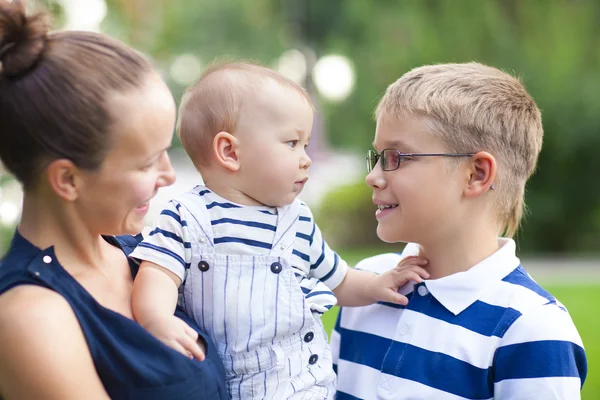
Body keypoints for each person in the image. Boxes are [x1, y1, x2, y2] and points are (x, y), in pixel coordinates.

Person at [129, 61, 430, 399]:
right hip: (238, 388)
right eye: (292, 143)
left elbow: (339, 280)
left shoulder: (297, 220)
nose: (306, 159)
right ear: (230, 152)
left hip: (309, 385)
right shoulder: (186, 218)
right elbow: (157, 276)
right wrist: (157, 320)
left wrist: (376, 285)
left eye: (305, 145)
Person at [0, 1, 229, 398]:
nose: (168, 175)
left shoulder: (143, 254)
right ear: (68, 180)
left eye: (166, 152)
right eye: (146, 164)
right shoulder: (30, 316)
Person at [331, 62, 588, 399]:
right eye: (376, 156)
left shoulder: (531, 329)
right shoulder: (365, 284)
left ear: (476, 175)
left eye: (395, 157)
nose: (373, 176)